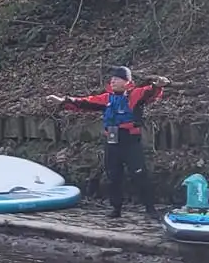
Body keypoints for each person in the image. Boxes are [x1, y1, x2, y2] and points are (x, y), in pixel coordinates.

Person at [50, 65, 170, 218]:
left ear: (127, 81)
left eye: (117, 78)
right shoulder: (107, 98)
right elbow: (85, 102)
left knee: (140, 175)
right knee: (113, 176)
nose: (112, 81)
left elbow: (149, 92)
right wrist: (63, 101)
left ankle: (150, 208)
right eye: (112, 78)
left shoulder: (134, 94)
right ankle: (116, 208)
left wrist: (157, 86)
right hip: (112, 141)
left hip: (130, 142)